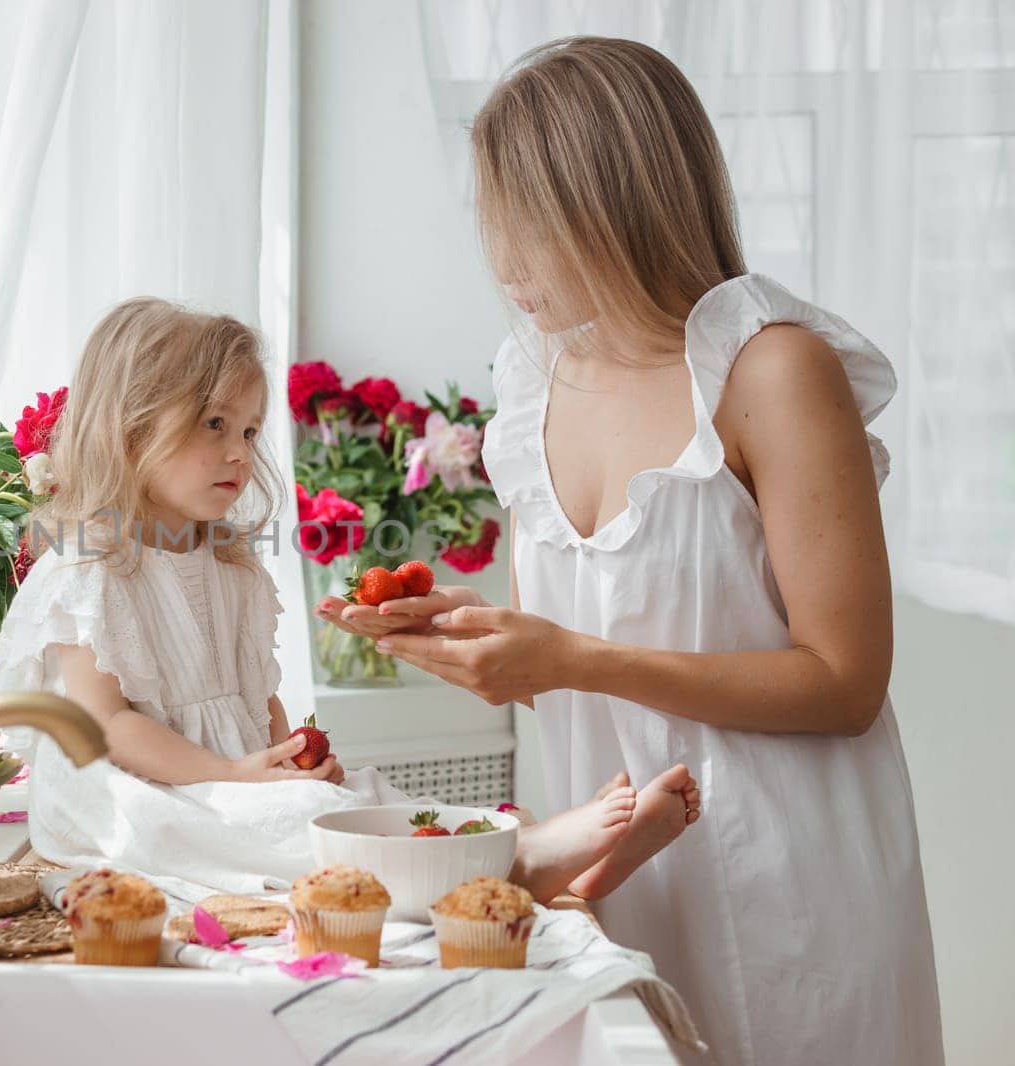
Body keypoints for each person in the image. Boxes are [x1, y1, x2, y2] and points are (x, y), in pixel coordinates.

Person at [318, 37, 941, 1065]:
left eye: (529, 229)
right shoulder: (536, 382)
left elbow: (844, 682)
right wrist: (468, 644)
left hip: (788, 889)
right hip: (613, 874)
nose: (505, 267)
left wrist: (565, 659)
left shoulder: (771, 369)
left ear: (610, 207)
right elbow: (561, 660)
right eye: (495, 228)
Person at [0, 296, 698, 906]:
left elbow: (253, 701)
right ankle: (521, 862)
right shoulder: (89, 566)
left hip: (226, 778)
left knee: (355, 798)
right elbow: (107, 730)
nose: (241, 452)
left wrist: (285, 756)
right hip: (133, 792)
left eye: (248, 430)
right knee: (276, 828)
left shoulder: (231, 570)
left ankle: (503, 845)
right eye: (214, 425)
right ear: (132, 425)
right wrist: (238, 775)